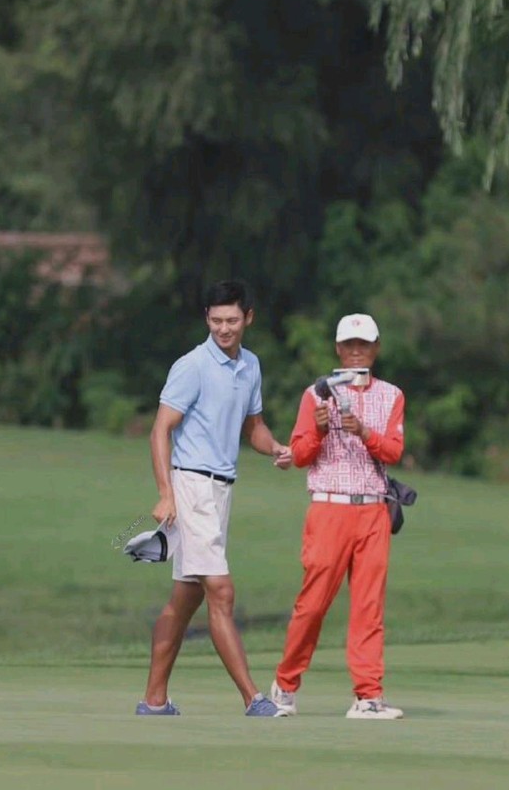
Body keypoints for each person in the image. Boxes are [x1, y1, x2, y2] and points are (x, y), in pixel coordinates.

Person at [136, 280, 292, 717]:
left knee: (186, 597)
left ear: (248, 319)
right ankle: (253, 699)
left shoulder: (251, 365)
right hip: (191, 487)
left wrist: (275, 448)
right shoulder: (192, 366)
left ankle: (154, 701)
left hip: (221, 490)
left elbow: (253, 427)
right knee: (221, 592)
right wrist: (166, 494)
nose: (224, 328)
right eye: (217, 320)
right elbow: (160, 430)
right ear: (207, 317)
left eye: (232, 320)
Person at [270, 313, 406, 720]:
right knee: (313, 605)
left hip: (373, 509)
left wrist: (363, 431)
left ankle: (368, 696)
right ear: (338, 348)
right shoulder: (316, 395)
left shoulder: (392, 395)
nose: (356, 351)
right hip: (329, 507)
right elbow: (300, 455)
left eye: (364, 344)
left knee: (369, 607)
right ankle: (285, 685)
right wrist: (319, 429)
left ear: (376, 348)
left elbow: (394, 451)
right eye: (349, 344)